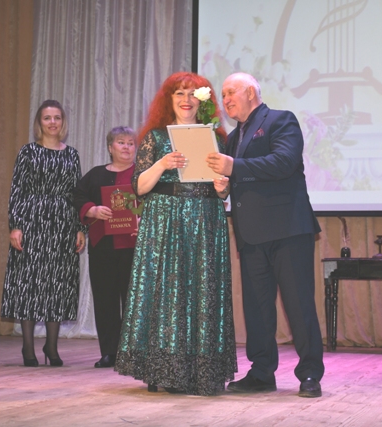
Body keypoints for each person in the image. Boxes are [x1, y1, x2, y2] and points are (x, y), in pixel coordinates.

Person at [114, 71, 237, 396]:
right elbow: (139, 187)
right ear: (168, 100)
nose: (185, 100)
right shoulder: (155, 138)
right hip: (165, 222)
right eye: (179, 93)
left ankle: (202, 371)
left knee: (202, 292)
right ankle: (165, 370)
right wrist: (163, 163)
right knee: (167, 293)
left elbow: (224, 192)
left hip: (206, 222)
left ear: (201, 101)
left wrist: (223, 187)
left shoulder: (217, 138)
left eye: (192, 94)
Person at [206, 72, 325, 398]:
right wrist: (223, 187)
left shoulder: (280, 120)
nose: (226, 99)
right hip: (251, 233)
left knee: (299, 305)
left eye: (231, 92)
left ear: (250, 92)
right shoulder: (233, 137)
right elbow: (235, 178)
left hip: (288, 229)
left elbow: (284, 162)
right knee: (257, 309)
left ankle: (310, 373)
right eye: (223, 94)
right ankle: (261, 372)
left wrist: (233, 168)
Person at [1, 99, 86, 367]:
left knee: (57, 283)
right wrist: (16, 225)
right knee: (29, 282)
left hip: (62, 225)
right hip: (32, 222)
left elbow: (77, 194)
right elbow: (17, 189)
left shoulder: (72, 155)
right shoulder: (28, 152)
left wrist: (80, 228)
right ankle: (28, 348)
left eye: (57, 117)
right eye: (47, 118)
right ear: (39, 122)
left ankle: (51, 346)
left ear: (63, 122)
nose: (52, 122)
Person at [72, 126, 138, 368]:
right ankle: (110, 352)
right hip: (103, 246)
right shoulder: (96, 175)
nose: (126, 147)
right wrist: (92, 209)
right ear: (110, 147)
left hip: (134, 245)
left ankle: (132, 353)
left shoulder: (142, 175)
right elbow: (77, 196)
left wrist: (143, 219)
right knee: (105, 300)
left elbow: (154, 203)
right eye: (121, 142)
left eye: (131, 143)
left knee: (133, 300)